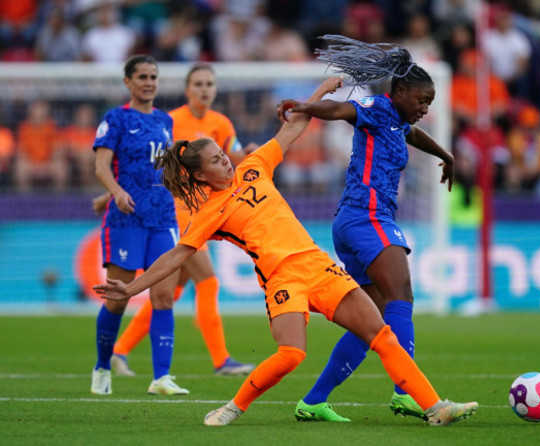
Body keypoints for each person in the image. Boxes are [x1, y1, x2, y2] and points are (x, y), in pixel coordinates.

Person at [94, 76, 478, 427]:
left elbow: (293, 126)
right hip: (282, 279)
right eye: (215, 160)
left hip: (319, 266)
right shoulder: (208, 214)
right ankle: (234, 406)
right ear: (198, 176)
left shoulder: (254, 166)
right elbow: (176, 256)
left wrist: (319, 94)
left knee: (382, 334)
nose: (225, 159)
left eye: (222, 154)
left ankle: (434, 408)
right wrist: (131, 289)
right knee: (292, 354)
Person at [275, 35, 455, 422]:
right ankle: (406, 391)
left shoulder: (397, 123)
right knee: (400, 296)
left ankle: (313, 401)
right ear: (401, 91)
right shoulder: (376, 108)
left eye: (430, 103)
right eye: (422, 100)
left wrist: (445, 155)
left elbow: (413, 135)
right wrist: (305, 106)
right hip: (366, 217)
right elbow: (340, 110)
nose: (425, 108)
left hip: (356, 221)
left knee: (369, 318)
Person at [107, 63, 256, 377]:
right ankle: (221, 360)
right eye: (199, 83)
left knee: (171, 292)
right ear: (187, 90)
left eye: (210, 84)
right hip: (175, 211)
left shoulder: (222, 124)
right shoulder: (171, 121)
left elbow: (235, 159)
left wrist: (253, 155)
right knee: (208, 281)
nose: (205, 89)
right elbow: (148, 164)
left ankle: (119, 351)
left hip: (204, 211)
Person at [91, 54, 188, 396]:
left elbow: (163, 170)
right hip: (126, 219)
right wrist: (114, 194)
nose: (149, 82)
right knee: (117, 299)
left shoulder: (164, 121)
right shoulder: (115, 118)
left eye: (153, 77)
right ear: (128, 82)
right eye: (142, 76)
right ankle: (102, 366)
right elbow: (102, 167)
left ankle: (162, 377)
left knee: (163, 296)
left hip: (163, 218)